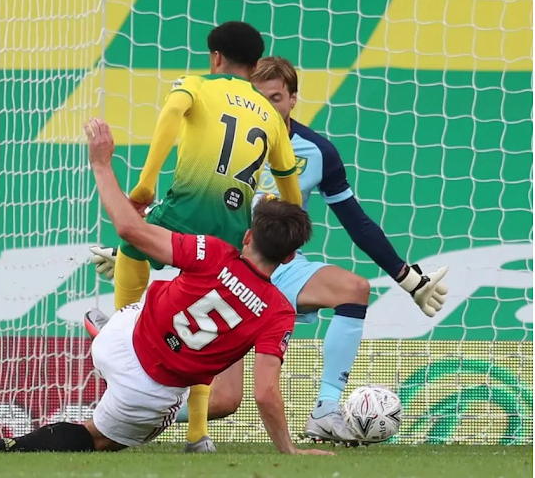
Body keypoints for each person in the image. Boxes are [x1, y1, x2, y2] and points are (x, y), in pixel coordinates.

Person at [0, 118, 332, 456]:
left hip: (122, 338)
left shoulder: (214, 251)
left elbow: (130, 228)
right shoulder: (279, 311)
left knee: (167, 278)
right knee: (98, 440)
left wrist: (100, 163)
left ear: (247, 237)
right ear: (290, 257)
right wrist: (289, 448)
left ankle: (107, 321)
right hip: (150, 388)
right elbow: (264, 392)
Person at [88, 57, 451, 445]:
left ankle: (326, 411)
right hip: (233, 269)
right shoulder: (224, 135)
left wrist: (406, 277)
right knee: (226, 400)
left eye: (276, 97)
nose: (268, 105)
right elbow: (197, 214)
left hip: (282, 267)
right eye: (260, 97)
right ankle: (137, 404)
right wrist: (133, 249)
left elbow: (356, 221)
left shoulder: (317, 151)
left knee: (354, 288)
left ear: (293, 99)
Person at [92, 21, 302, 452]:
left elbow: (171, 115)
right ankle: (197, 434)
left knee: (132, 242)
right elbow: (287, 182)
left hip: (189, 206)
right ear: (255, 64)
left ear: (216, 58)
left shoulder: (197, 85)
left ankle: (121, 319)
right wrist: (291, 227)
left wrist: (146, 184)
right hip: (234, 229)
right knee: (208, 321)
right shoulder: (271, 116)